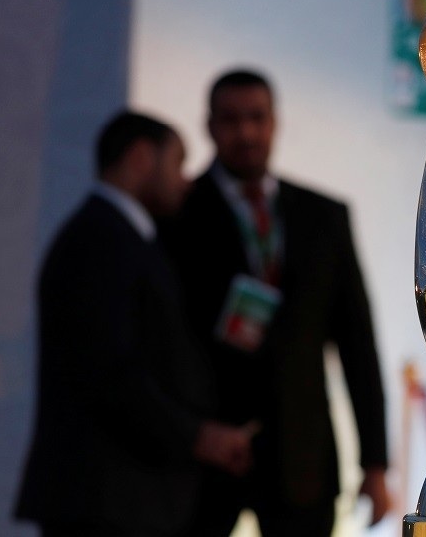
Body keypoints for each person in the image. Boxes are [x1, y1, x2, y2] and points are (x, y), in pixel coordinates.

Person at [162, 69, 390, 536]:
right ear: (209, 126)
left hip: (302, 459)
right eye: (231, 120)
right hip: (203, 457)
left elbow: (357, 345)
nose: (245, 132)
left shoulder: (324, 217)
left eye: (256, 118)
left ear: (274, 123)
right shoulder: (176, 212)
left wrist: (375, 464)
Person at [15, 111, 256, 537]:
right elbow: (109, 371)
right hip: (105, 502)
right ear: (142, 157)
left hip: (119, 499)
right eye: (177, 163)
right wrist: (198, 436)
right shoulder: (102, 240)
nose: (185, 181)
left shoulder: (116, 236)